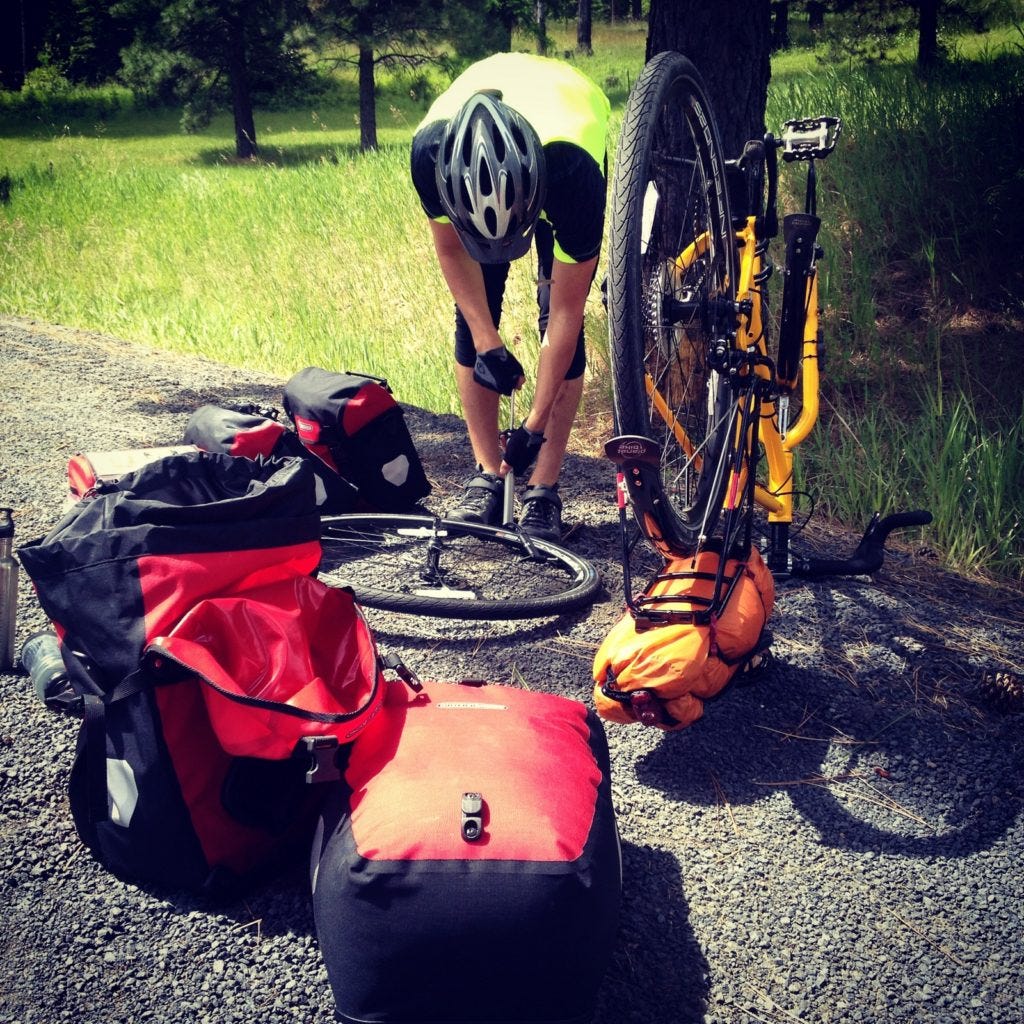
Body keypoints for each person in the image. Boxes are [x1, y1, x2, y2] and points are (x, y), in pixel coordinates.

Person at [410, 52, 611, 542]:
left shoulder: (575, 174)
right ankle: (486, 474)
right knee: (476, 318)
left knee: (554, 319)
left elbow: (566, 311)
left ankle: (543, 489)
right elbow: (454, 256)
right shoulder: (432, 156)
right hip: (476, 138)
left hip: (564, 123)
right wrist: (487, 341)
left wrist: (534, 425)